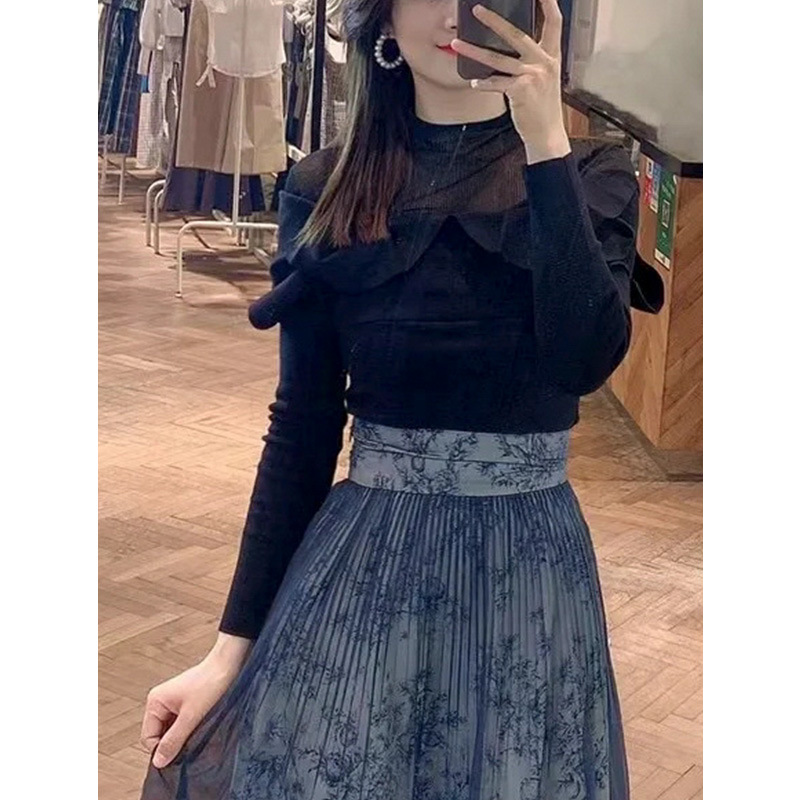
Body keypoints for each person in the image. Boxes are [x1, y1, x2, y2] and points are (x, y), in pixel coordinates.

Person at [139, 0, 644, 796]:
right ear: (381, 21)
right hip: (367, 567)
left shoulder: (589, 173)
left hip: (531, 579)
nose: (455, 11)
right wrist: (229, 650)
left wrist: (545, 142)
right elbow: (302, 428)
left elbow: (584, 360)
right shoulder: (327, 188)